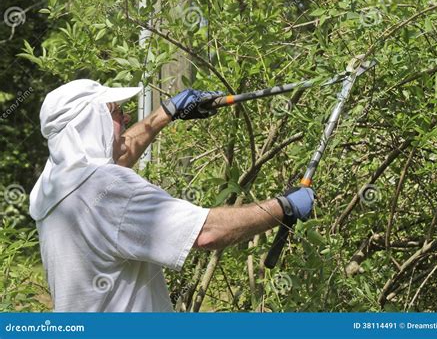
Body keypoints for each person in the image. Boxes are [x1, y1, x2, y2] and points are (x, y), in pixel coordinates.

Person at [29, 79, 314, 312]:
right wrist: (284, 207)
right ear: (91, 124)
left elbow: (114, 156)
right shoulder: (109, 188)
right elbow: (208, 233)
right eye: (116, 113)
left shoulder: (51, 187)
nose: (126, 118)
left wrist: (167, 112)